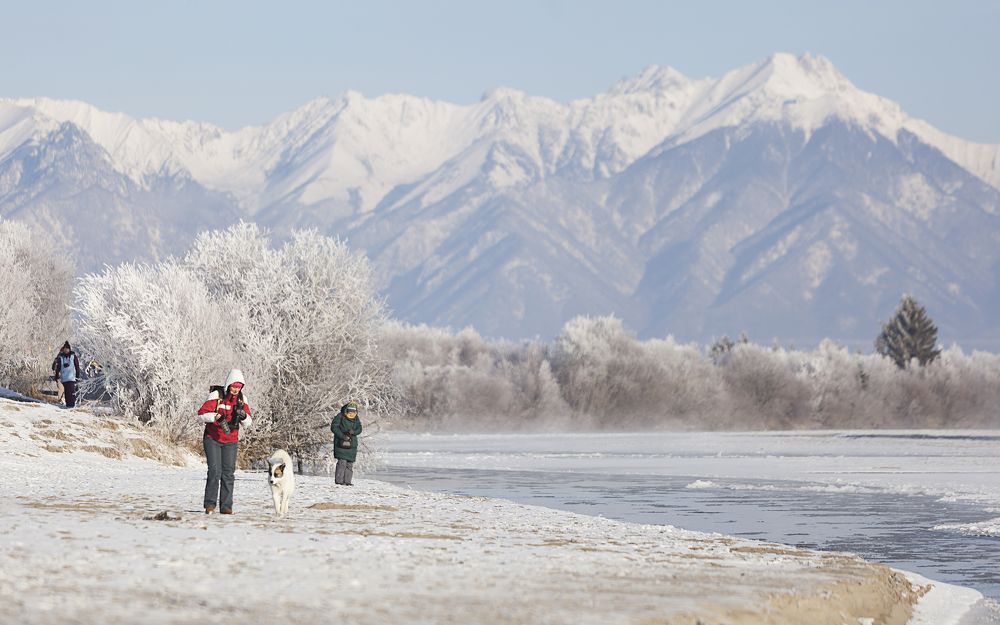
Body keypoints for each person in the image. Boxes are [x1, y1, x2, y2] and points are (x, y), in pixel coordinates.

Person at [196, 369, 253, 514]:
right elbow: (201, 415)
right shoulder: (217, 395)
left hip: (231, 441)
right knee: (215, 471)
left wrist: (243, 415)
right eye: (233, 386)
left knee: (228, 473)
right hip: (212, 438)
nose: (235, 389)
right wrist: (215, 417)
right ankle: (210, 505)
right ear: (228, 385)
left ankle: (226, 507)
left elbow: (248, 423)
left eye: (239, 387)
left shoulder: (242, 399)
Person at [330, 401, 362, 486]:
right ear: (346, 410)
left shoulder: (356, 418)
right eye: (350, 411)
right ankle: (339, 481)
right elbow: (334, 427)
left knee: (349, 464)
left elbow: (360, 429)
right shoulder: (340, 416)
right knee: (342, 463)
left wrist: (354, 432)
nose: (351, 413)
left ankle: (347, 482)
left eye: (353, 412)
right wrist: (342, 436)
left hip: (352, 445)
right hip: (341, 444)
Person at [51, 341, 81, 408]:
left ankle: (72, 405)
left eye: (67, 348)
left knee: (71, 393)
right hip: (64, 378)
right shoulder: (61, 357)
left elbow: (77, 367)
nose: (66, 350)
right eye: (65, 349)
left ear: (69, 349)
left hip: (72, 378)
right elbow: (58, 368)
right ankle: (68, 406)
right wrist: (56, 376)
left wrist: (77, 376)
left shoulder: (73, 356)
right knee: (67, 393)